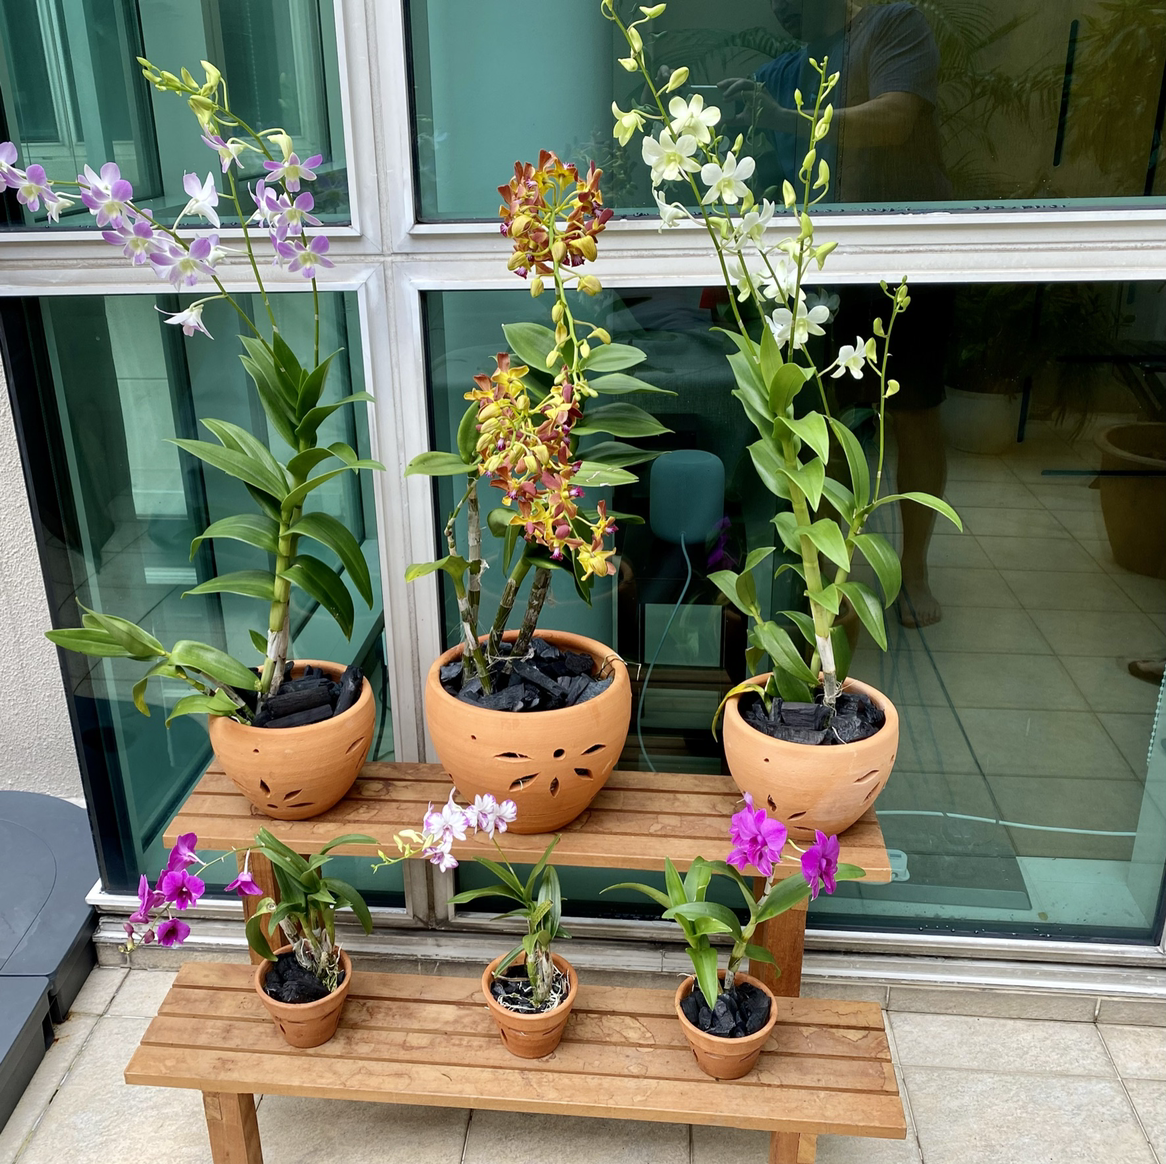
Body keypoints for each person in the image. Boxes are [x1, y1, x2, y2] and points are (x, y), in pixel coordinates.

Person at [723, 0, 952, 627]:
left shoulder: (893, 24)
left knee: (913, 410)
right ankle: (830, 574)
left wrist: (787, 119)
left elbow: (897, 119)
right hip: (829, 264)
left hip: (908, 247)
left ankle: (915, 571)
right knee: (823, 418)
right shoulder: (788, 66)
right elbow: (759, 150)